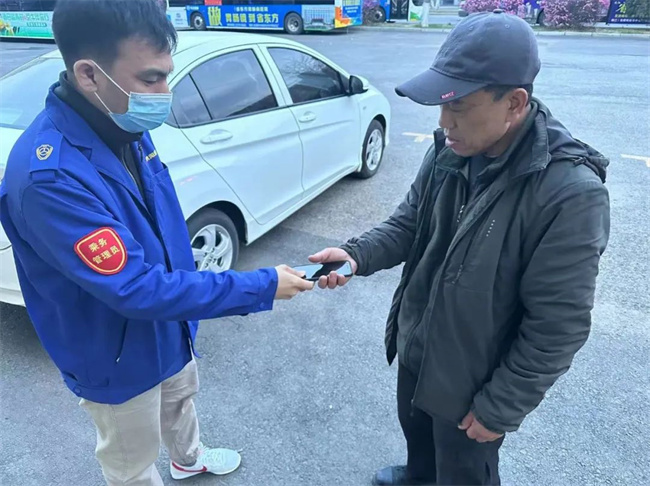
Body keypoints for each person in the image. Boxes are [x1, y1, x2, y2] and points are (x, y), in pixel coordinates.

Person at [0, 1, 313, 485]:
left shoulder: (123, 122)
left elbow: (161, 228)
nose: (165, 93)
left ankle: (189, 458)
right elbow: (134, 288)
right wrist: (262, 285)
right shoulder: (51, 176)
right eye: (151, 78)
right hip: (116, 353)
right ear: (89, 74)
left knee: (181, 399)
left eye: (167, 74)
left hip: (170, 321)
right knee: (131, 459)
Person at [310, 10, 609, 486]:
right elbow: (410, 223)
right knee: (419, 440)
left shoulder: (569, 193)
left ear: (514, 103)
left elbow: (558, 324)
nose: (444, 121)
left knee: (463, 472)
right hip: (418, 347)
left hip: (476, 383)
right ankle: (419, 475)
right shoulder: (450, 150)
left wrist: (501, 406)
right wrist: (357, 255)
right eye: (442, 104)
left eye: (461, 106)